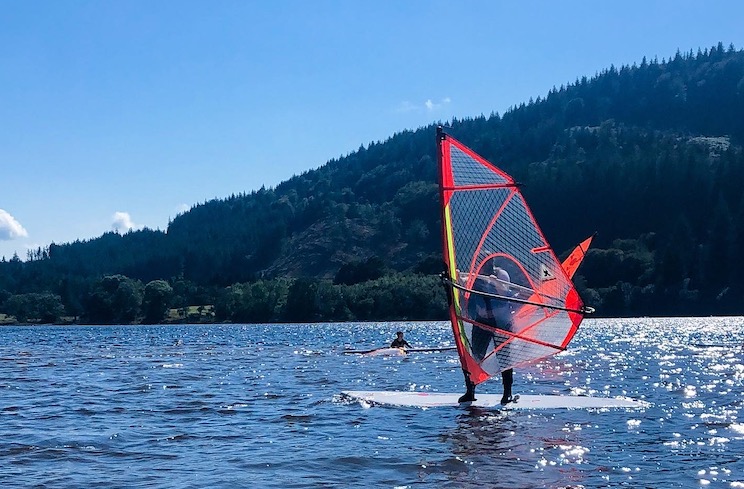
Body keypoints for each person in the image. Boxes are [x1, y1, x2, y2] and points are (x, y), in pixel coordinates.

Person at [459, 265, 515, 405]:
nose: (483, 268)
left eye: (486, 266)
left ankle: (507, 393)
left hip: (501, 322)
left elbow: (504, 291)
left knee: (504, 358)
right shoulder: (477, 275)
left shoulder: (501, 273)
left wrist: (495, 282)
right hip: (482, 322)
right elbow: (465, 282)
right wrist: (458, 277)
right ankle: (470, 391)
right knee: (475, 357)